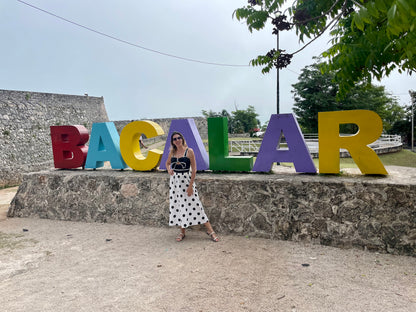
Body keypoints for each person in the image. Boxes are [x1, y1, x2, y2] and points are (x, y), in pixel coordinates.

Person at [165, 131, 219, 242]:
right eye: (175, 139)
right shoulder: (172, 152)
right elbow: (167, 163)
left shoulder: (189, 151)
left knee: (196, 205)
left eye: (179, 138)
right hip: (175, 183)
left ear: (182, 139)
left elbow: (194, 169)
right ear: (172, 142)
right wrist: (169, 170)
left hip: (186, 181)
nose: (177, 140)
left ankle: (210, 231)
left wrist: (190, 186)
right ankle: (182, 232)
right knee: (179, 205)